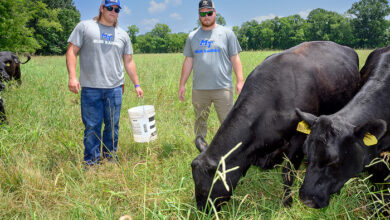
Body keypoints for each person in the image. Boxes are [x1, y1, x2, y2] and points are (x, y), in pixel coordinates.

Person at [66, 0, 143, 166]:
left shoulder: (122, 34)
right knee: (92, 127)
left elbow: (129, 61)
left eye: (117, 9)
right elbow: (72, 51)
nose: (113, 11)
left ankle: (109, 160)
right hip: (91, 89)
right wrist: (72, 77)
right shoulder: (85, 27)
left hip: (115, 89)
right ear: (102, 8)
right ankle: (91, 163)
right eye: (110, 8)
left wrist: (137, 84)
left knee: (112, 127)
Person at [178, 0, 244, 139]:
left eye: (209, 13)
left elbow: (235, 58)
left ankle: (228, 153)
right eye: (202, 14)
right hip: (200, 90)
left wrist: (240, 80)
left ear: (215, 13)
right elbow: (188, 61)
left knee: (227, 123)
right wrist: (182, 84)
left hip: (223, 88)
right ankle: (202, 150)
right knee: (200, 122)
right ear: (199, 15)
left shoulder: (227, 34)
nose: (206, 16)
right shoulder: (192, 36)